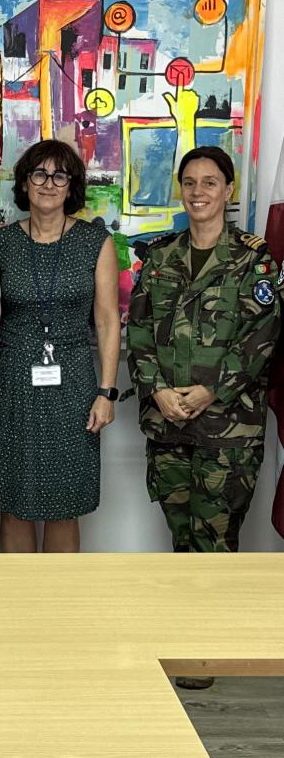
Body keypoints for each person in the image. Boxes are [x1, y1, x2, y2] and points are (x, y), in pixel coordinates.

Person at [128, 145, 281, 691]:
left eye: (210, 182)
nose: (198, 192)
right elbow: (137, 331)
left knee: (215, 541)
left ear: (228, 190)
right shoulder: (159, 257)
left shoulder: (254, 259)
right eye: (190, 182)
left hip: (228, 428)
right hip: (167, 421)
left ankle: (206, 651)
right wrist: (158, 390)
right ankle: (183, 640)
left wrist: (210, 390)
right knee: (180, 539)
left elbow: (263, 336)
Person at [0, 139, 120, 553]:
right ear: (25, 182)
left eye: (60, 175)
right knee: (13, 502)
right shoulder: (0, 243)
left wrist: (107, 392)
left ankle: (61, 593)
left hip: (73, 385)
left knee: (64, 504)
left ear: (72, 185)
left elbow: (107, 320)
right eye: (39, 174)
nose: (49, 183)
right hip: (9, 384)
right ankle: (18, 592)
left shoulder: (95, 242)